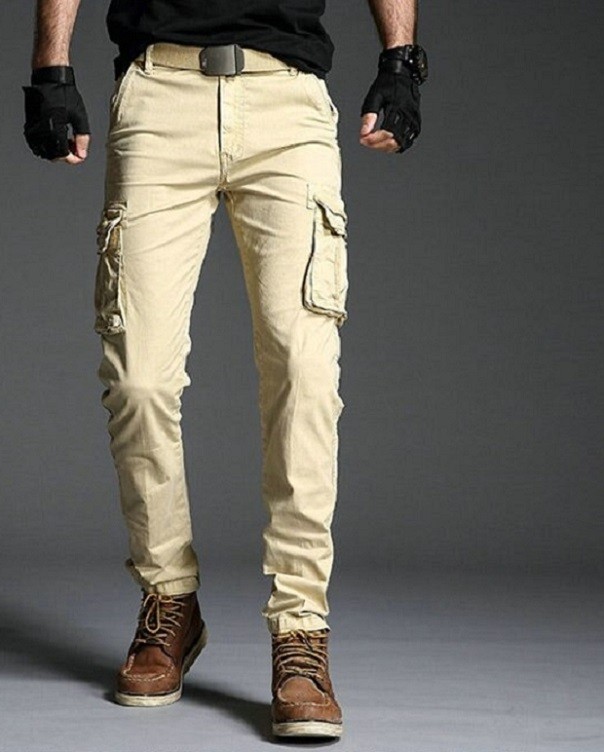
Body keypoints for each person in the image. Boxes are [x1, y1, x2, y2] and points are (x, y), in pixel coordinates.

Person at [22, 0, 427, 740]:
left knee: (304, 372)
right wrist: (51, 68)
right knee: (138, 376)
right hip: (159, 95)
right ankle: (168, 601)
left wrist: (401, 62)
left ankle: (300, 630)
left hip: (287, 99)